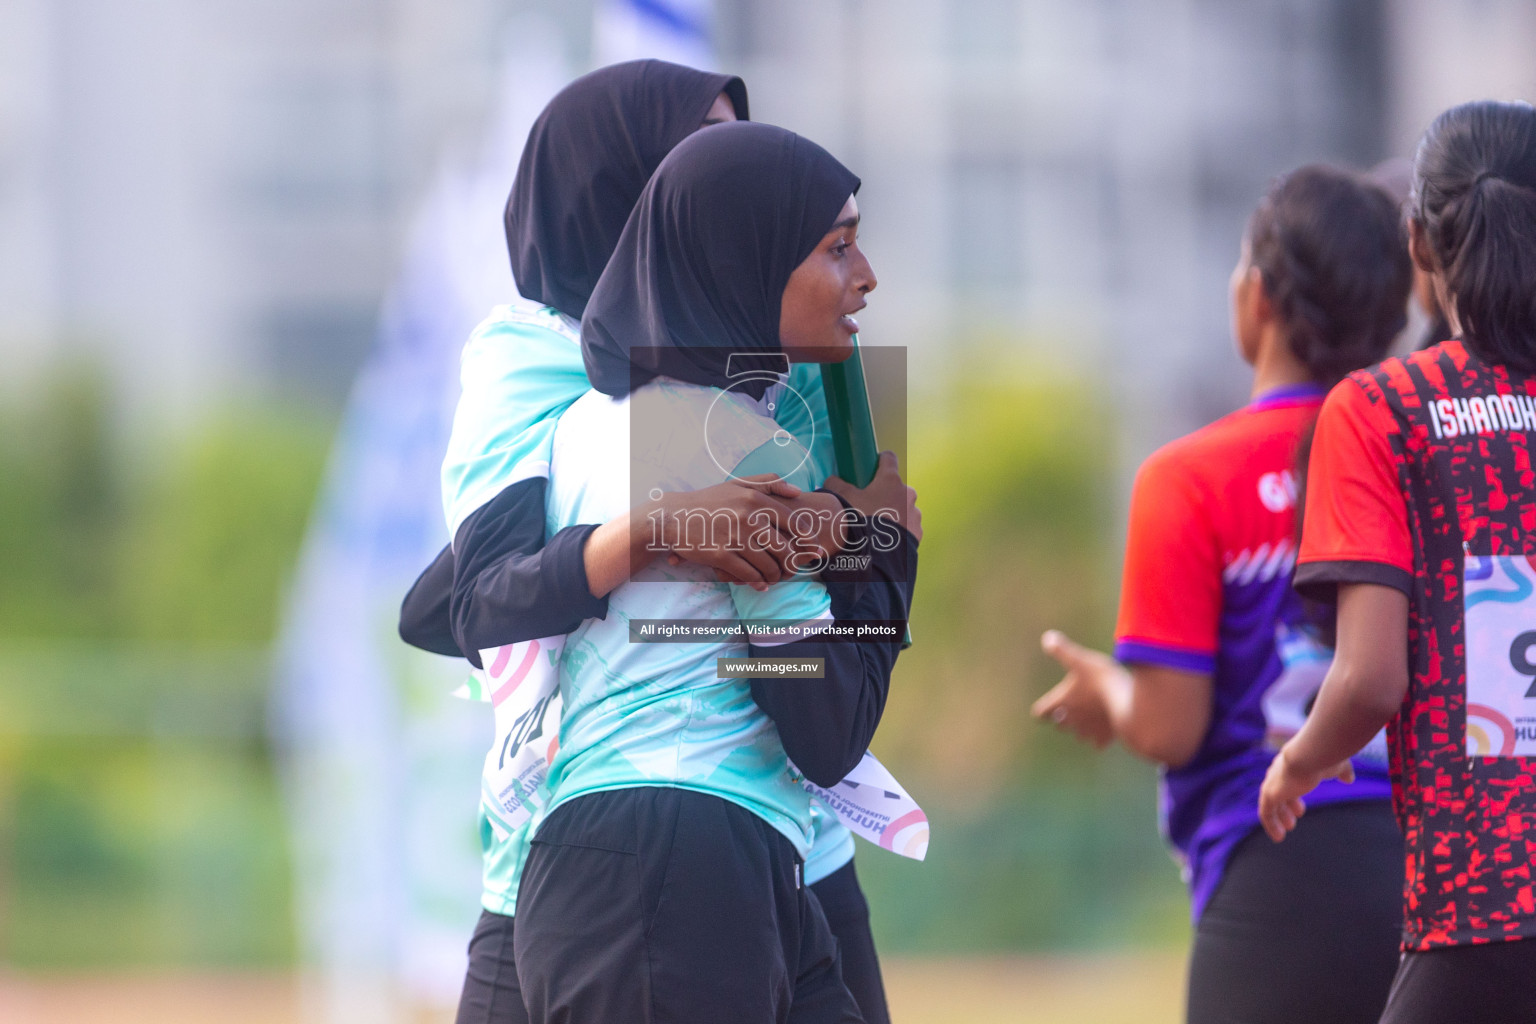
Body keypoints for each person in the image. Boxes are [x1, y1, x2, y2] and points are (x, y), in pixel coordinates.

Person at [401, 63, 904, 1024]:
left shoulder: (798, 368)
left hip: (786, 824)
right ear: (623, 192)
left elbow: (830, 633)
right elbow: (457, 604)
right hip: (590, 824)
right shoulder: (533, 367)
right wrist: (657, 530)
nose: (718, 172)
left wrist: (850, 533)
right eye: (695, 152)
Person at [1033, 165, 1412, 1024]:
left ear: (1261, 298)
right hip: (1433, 873)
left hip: (1274, 875)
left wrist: (1109, 690)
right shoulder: (1419, 464)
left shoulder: (1190, 476)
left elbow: (1171, 727)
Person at [1260, 100, 1536, 1024]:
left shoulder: (1385, 409)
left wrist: (1299, 763)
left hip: (1491, 899)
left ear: (1419, 242)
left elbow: (1372, 678)